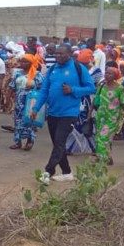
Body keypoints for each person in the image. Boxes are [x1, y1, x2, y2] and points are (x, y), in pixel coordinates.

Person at [31, 44, 96, 185]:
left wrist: (73, 90)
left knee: (59, 143)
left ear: (69, 54)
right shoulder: (53, 69)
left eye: (62, 54)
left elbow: (91, 88)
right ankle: (67, 173)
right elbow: (44, 90)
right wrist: (36, 108)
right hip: (53, 113)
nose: (58, 56)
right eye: (56, 54)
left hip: (69, 113)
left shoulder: (79, 68)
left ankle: (48, 172)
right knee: (57, 144)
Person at [93, 67, 124, 165]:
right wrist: (89, 113)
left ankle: (102, 159)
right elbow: (95, 100)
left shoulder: (120, 88)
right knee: (100, 137)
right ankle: (108, 157)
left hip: (112, 117)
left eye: (110, 74)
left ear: (115, 76)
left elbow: (123, 103)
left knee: (103, 138)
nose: (107, 75)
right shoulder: (102, 85)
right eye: (106, 73)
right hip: (100, 116)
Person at [9, 54, 43, 151]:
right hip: (19, 101)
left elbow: (43, 88)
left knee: (29, 121)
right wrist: (8, 99)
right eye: (22, 61)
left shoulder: (37, 74)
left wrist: (33, 86)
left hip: (31, 101)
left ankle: (30, 140)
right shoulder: (17, 73)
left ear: (31, 63)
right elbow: (12, 86)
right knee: (17, 121)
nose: (23, 63)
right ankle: (17, 142)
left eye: (25, 61)